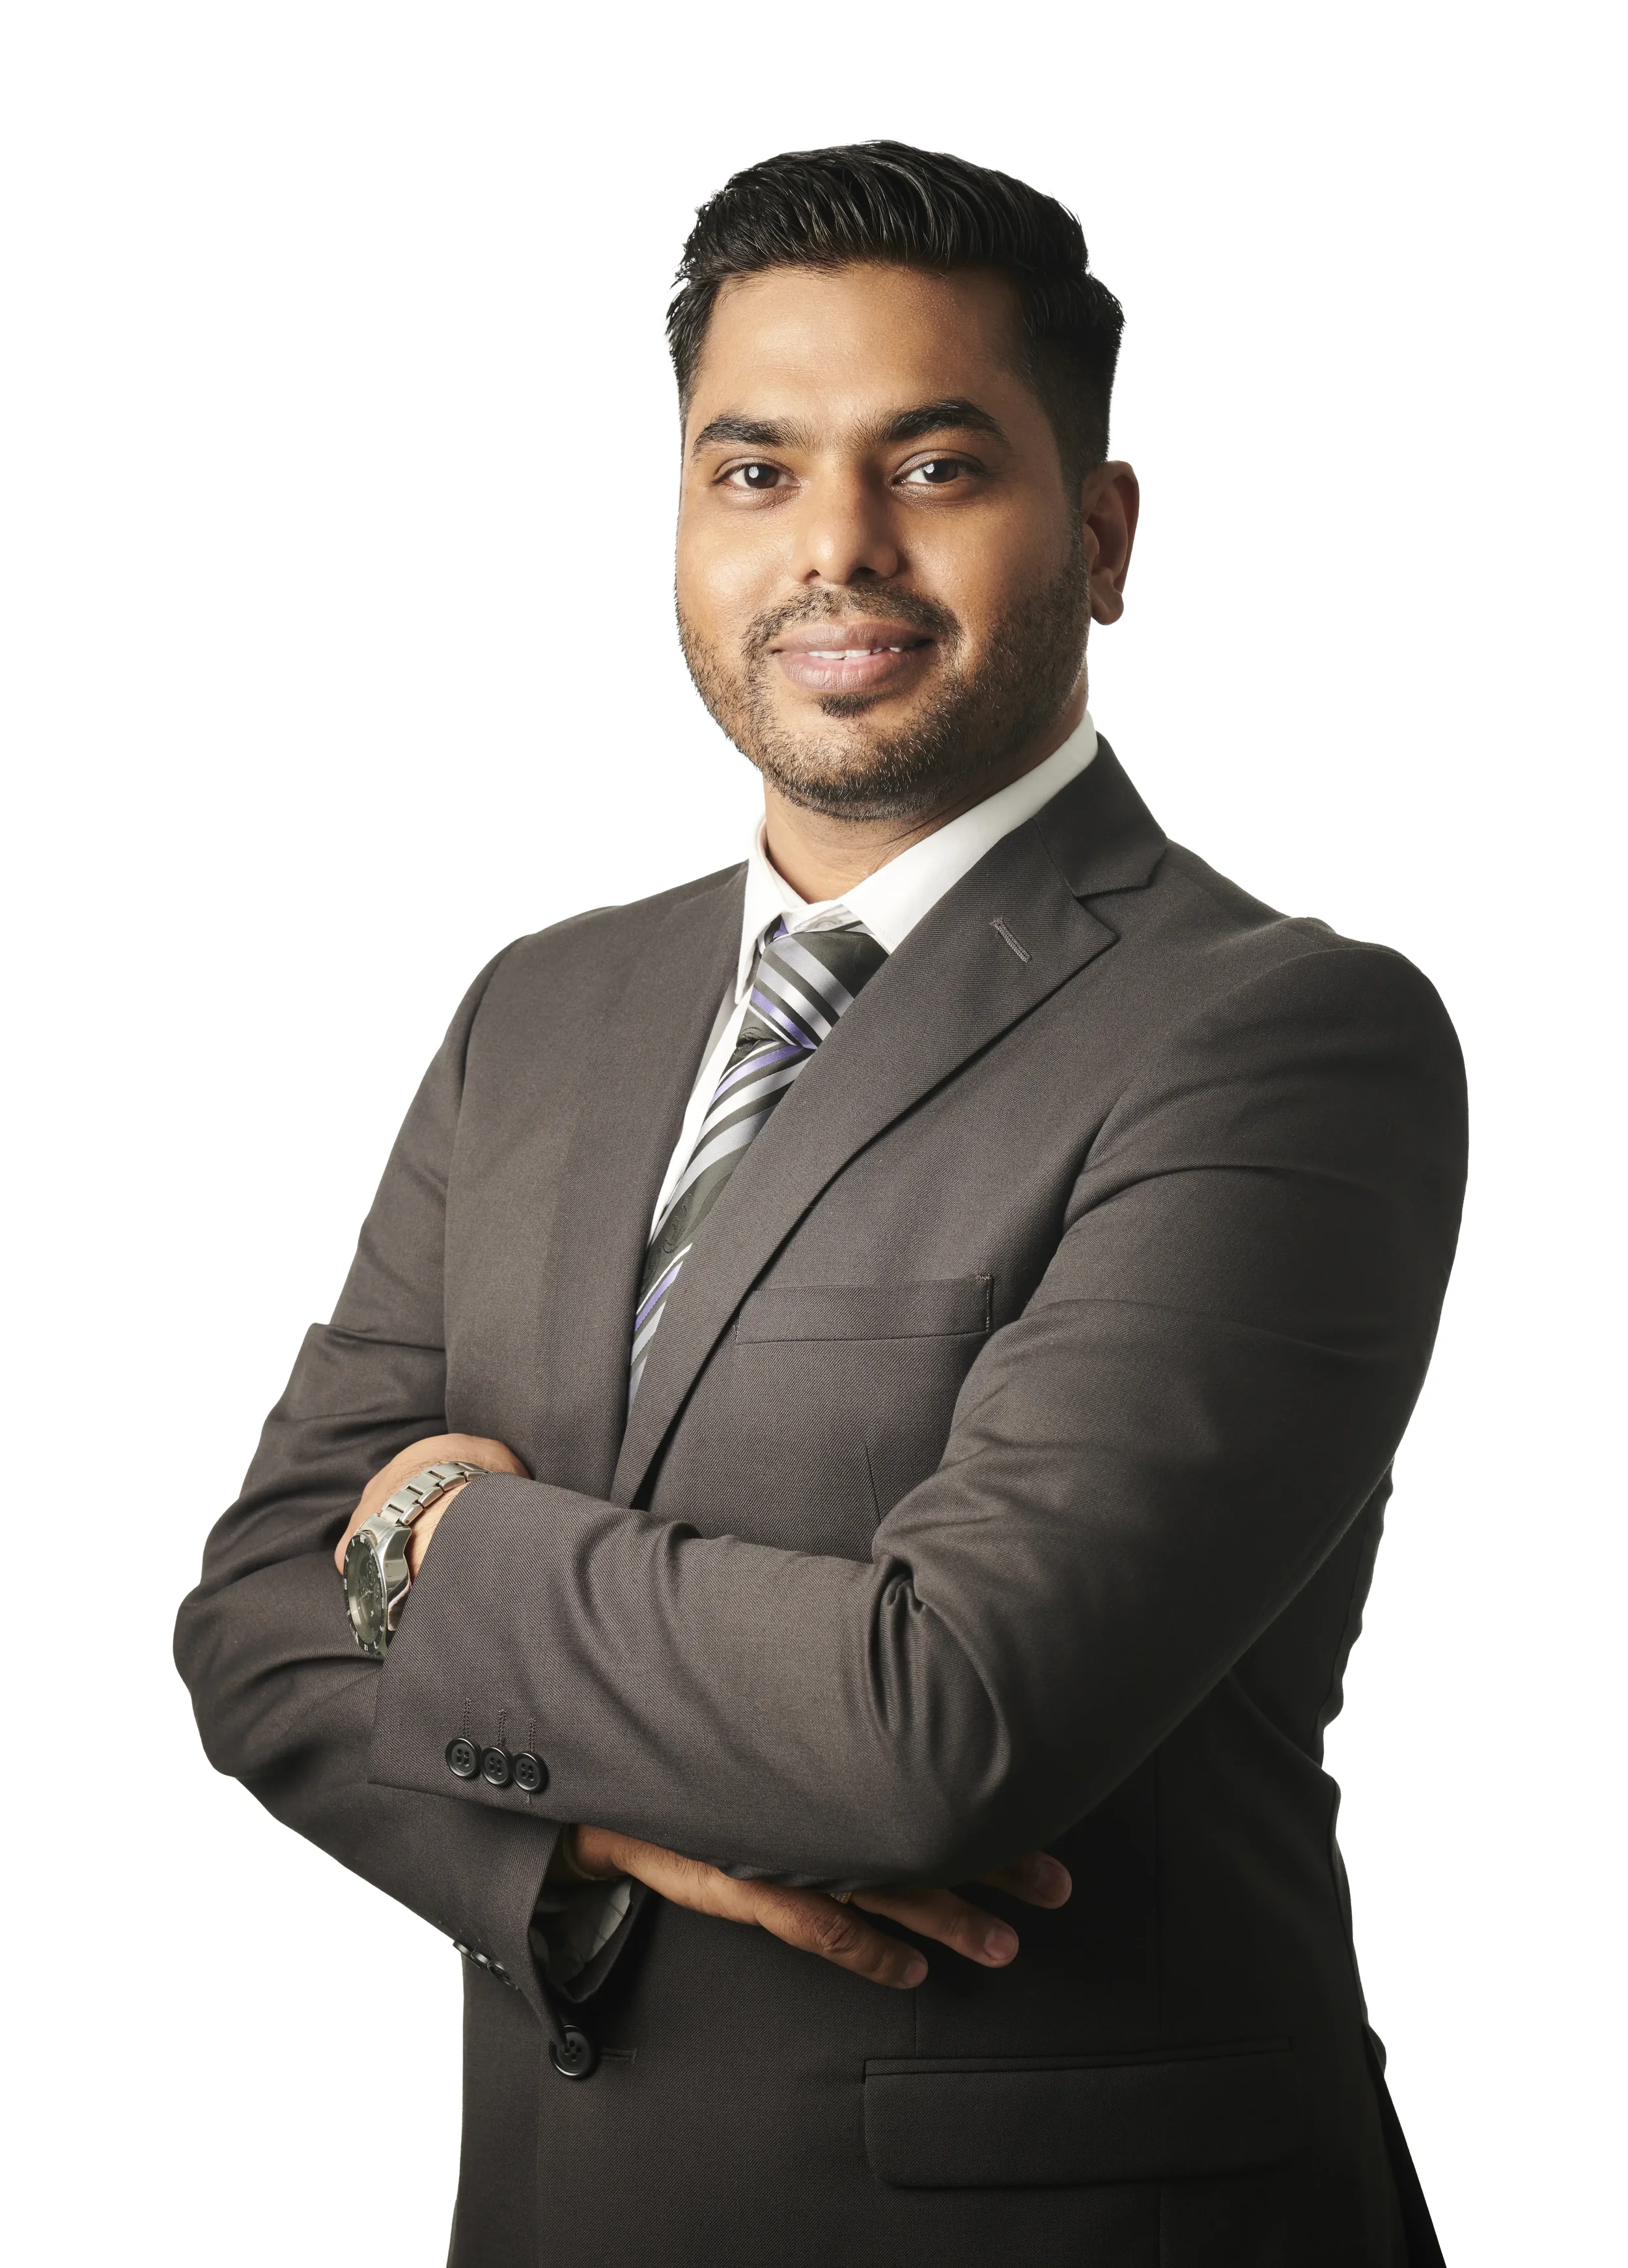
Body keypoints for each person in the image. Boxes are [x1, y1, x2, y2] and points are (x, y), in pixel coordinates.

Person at [176, 141, 1465, 2266]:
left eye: (934, 466)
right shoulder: (542, 1007)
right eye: (754, 472)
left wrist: (425, 1542)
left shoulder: (1279, 1038)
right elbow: (248, 1615)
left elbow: (929, 1730)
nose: (834, 548)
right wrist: (581, 1845)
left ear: (1101, 534)